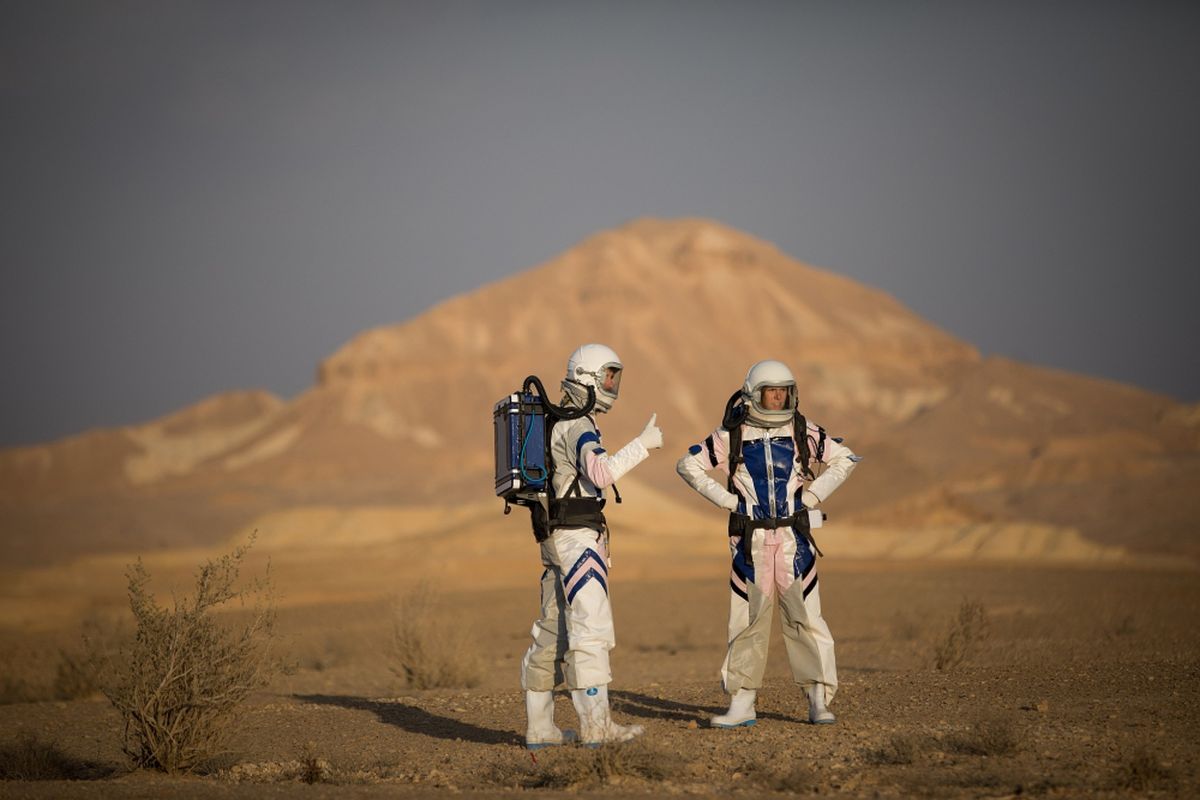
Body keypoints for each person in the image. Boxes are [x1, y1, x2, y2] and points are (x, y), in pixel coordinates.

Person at [676, 359, 859, 727]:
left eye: (783, 391)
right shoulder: (732, 434)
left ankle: (818, 699)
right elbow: (688, 465)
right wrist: (729, 502)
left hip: (795, 541)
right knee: (746, 623)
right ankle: (742, 704)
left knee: (806, 619)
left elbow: (845, 458)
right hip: (750, 542)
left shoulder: (802, 430)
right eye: (770, 392)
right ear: (753, 394)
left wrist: (811, 498)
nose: (777, 398)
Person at [520, 343, 664, 749]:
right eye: (608, 376)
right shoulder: (578, 423)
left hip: (553, 539)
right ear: (587, 377)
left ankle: (540, 729)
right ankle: (598, 728)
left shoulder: (552, 421)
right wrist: (643, 444)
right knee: (590, 631)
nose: (612, 384)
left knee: (551, 632)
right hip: (578, 539)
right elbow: (600, 473)